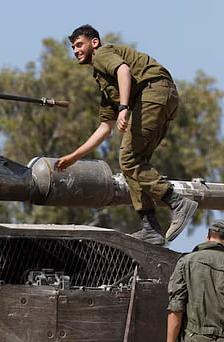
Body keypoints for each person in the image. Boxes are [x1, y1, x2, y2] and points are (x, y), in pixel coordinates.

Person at [56, 24, 197, 246]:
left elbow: (123, 70)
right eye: (73, 47)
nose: (75, 51)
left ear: (94, 42)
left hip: (153, 93)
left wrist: (123, 107)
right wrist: (74, 157)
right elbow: (105, 127)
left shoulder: (102, 54)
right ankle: (150, 227)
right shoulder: (104, 81)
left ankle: (177, 202)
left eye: (79, 44)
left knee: (128, 159)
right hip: (164, 96)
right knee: (135, 165)